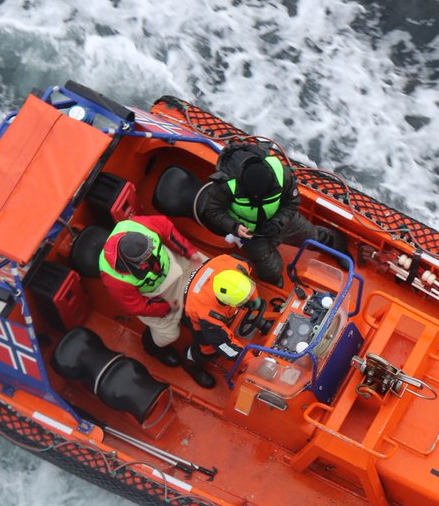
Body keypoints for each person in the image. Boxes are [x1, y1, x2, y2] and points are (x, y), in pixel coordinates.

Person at [196, 142, 346, 286]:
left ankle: (340, 248)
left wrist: (279, 222)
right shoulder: (224, 185)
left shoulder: (283, 174)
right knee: (270, 269)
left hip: (283, 221)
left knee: (314, 236)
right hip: (251, 233)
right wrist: (235, 227)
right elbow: (213, 210)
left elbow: (292, 203)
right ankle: (273, 283)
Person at [98, 215, 208, 371]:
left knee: (209, 269)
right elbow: (136, 306)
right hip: (155, 295)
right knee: (168, 335)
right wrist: (166, 307)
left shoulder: (141, 225)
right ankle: (152, 348)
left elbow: (170, 233)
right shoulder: (115, 279)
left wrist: (190, 253)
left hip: (175, 264)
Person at [181, 254, 261, 389]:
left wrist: (254, 298)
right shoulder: (208, 315)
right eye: (243, 300)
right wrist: (251, 362)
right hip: (198, 318)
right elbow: (223, 344)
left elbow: (245, 279)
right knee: (208, 349)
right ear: (227, 302)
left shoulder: (237, 265)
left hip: (201, 286)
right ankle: (190, 361)